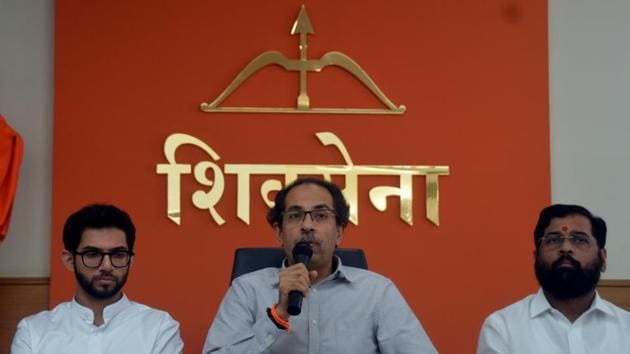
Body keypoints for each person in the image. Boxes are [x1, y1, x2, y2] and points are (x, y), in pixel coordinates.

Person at [203, 177, 437, 353]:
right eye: (295, 216)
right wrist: (277, 317)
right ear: (279, 233)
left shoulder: (377, 292)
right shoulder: (247, 290)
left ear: (339, 232)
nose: (307, 226)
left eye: (320, 216)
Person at [11, 204, 184, 354]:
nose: (107, 266)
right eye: (92, 254)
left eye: (118, 254)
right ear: (69, 260)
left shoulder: (159, 328)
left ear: (130, 260)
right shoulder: (34, 331)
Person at [477, 204, 630, 354]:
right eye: (553, 240)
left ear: (602, 259)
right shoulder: (503, 328)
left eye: (579, 240)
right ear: (536, 257)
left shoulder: (626, 327)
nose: (566, 247)